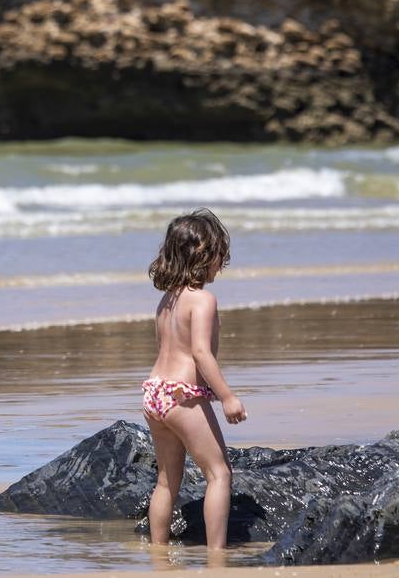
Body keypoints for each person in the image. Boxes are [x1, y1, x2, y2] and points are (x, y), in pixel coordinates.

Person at [142, 209, 247, 551]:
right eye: (220, 254)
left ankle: (159, 551)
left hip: (155, 392)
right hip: (183, 396)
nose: (223, 262)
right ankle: (216, 556)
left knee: (166, 481)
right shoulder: (203, 300)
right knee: (219, 474)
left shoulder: (166, 300)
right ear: (203, 254)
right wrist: (227, 397)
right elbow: (201, 354)